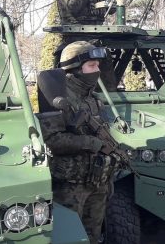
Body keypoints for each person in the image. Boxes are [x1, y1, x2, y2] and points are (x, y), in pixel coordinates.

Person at [39, 41, 119, 244]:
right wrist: (90, 143)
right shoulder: (56, 97)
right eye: (92, 65)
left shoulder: (93, 99)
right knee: (67, 238)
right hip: (70, 186)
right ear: (75, 68)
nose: (97, 70)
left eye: (98, 65)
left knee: (93, 237)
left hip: (97, 183)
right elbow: (51, 141)